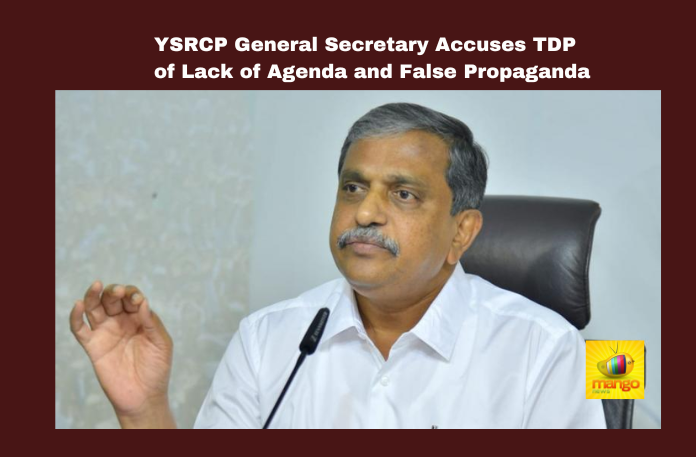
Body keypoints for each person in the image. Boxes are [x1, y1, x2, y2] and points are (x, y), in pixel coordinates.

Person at [70, 102, 607, 428]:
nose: (366, 213)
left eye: (403, 194)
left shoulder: (544, 350)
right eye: (353, 187)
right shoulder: (268, 339)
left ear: (461, 232)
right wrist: (143, 411)